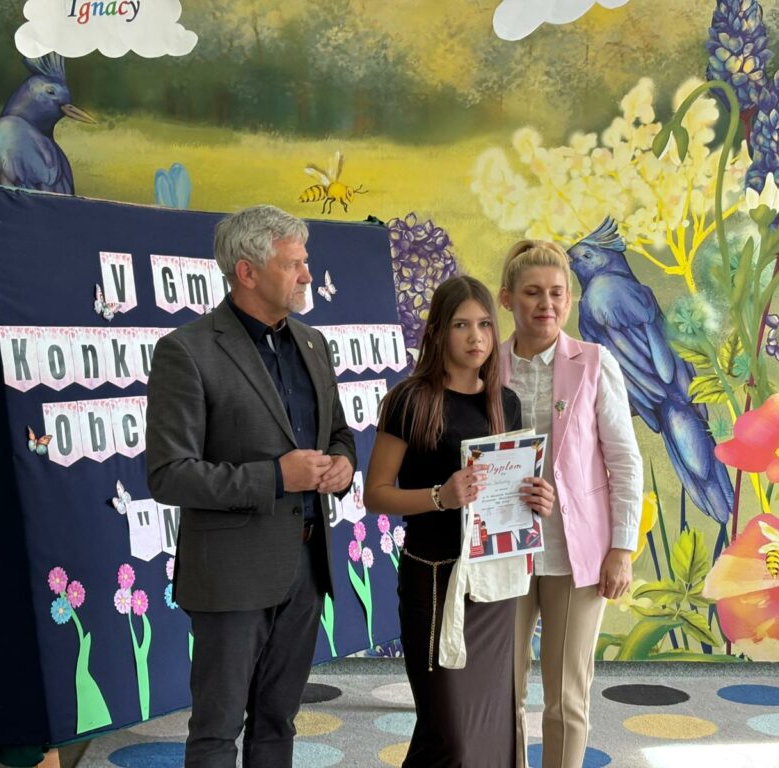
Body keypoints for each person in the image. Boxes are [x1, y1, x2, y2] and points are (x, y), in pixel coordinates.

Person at [145, 204, 357, 768]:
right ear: (247, 271)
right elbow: (168, 473)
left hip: (306, 568)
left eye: (305, 262)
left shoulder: (313, 344)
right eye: (294, 264)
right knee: (216, 732)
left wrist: (342, 464)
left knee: (278, 722)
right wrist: (276, 477)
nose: (307, 274)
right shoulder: (186, 351)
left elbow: (339, 433)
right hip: (230, 576)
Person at [364, 275, 551, 767]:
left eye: (485, 325)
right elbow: (375, 494)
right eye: (462, 325)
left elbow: (508, 497)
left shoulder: (505, 403)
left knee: (487, 732)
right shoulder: (409, 400)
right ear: (438, 332)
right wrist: (440, 497)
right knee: (450, 734)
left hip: (493, 587)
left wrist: (537, 500)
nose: (476, 338)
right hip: (433, 582)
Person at [498, 239, 643, 768]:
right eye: (532, 292)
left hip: (576, 553)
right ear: (507, 298)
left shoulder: (596, 363)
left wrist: (621, 548)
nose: (546, 304)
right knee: (500, 696)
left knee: (566, 698)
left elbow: (624, 460)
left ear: (570, 298)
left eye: (557, 293)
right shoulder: (485, 365)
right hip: (502, 550)